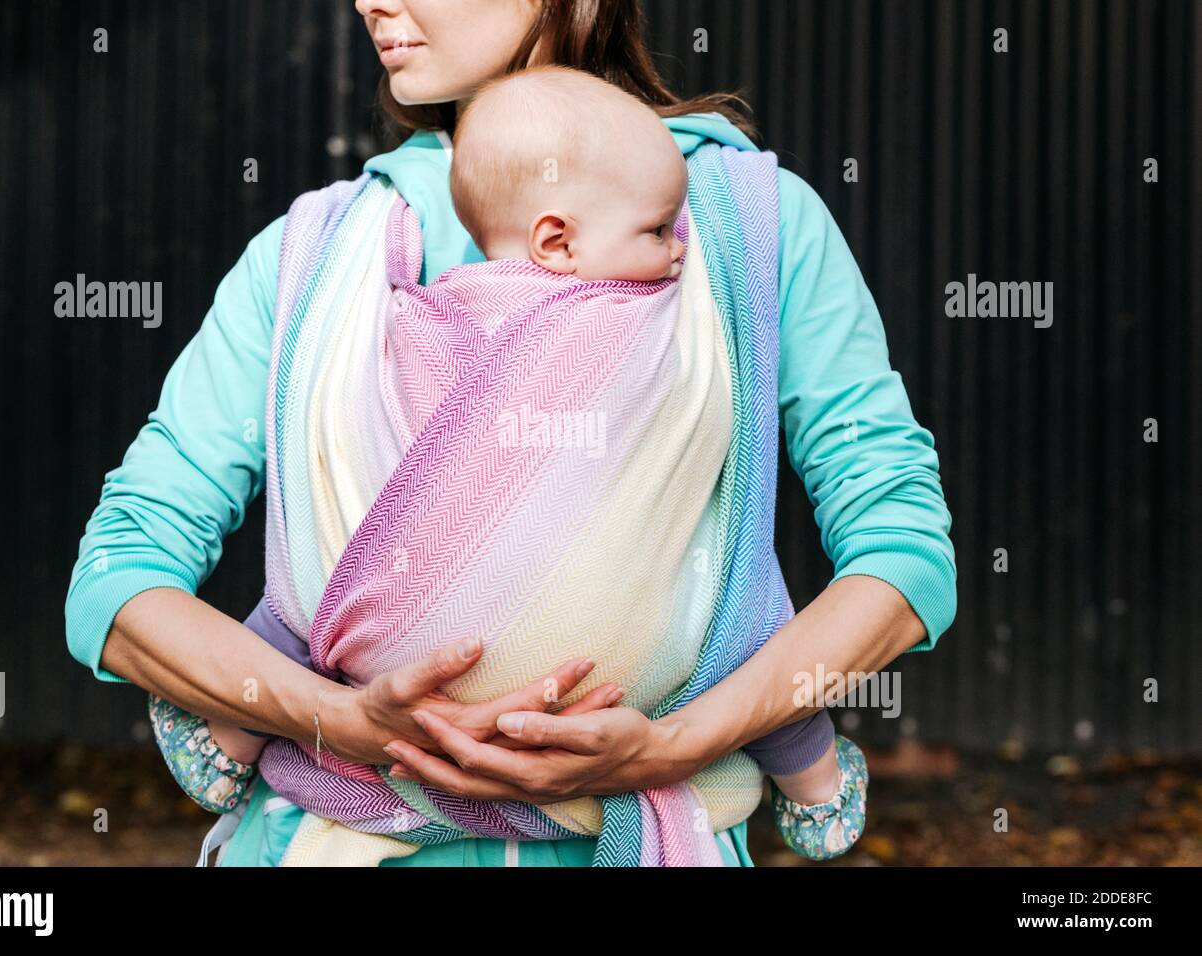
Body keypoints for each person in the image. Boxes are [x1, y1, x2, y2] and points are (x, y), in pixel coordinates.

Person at [66, 0, 955, 867]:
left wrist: (679, 743)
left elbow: (903, 553)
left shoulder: (744, 231)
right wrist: (332, 717)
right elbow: (116, 580)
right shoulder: (313, 257)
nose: (371, 4)